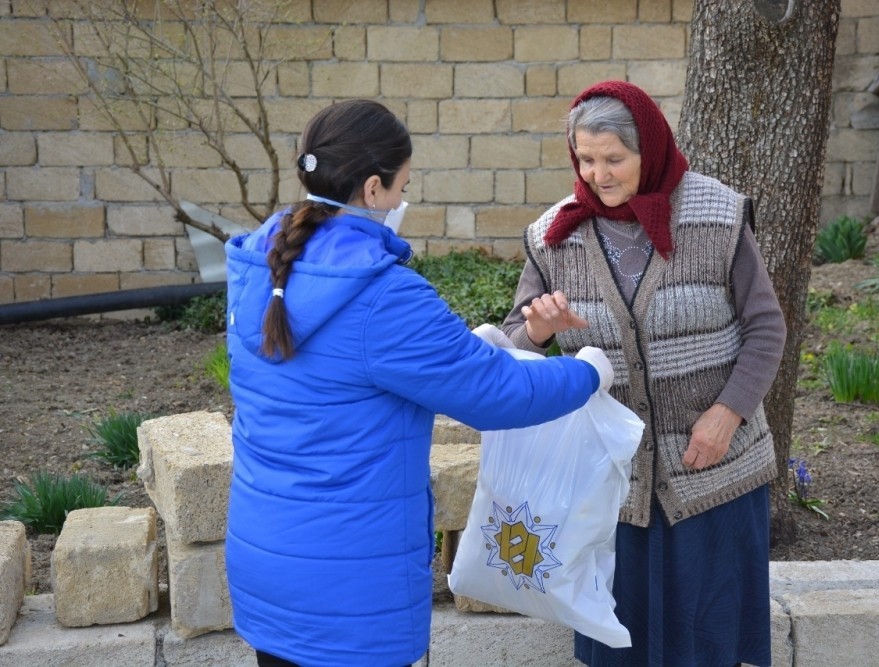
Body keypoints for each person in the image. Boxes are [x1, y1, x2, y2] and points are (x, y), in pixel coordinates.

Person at [223, 99, 614, 667]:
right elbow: (497, 395)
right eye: (405, 185)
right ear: (375, 188)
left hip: (269, 563)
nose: (404, 200)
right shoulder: (381, 295)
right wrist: (590, 372)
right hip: (350, 585)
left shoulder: (261, 269)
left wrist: (490, 347)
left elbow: (346, 374)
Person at [500, 81, 787, 667]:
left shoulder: (717, 215)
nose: (598, 174)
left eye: (614, 159)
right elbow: (511, 344)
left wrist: (728, 412)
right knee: (619, 649)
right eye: (585, 159)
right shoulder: (554, 237)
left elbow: (766, 328)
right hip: (611, 487)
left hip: (713, 473)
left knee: (710, 647)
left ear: (648, 150)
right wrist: (539, 329)